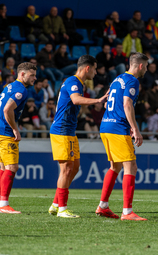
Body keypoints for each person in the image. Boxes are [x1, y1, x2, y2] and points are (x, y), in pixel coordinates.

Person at [48, 55, 109, 218]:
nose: (96, 73)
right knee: (66, 168)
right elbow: (75, 100)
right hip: (61, 130)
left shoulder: (77, 83)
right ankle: (62, 208)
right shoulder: (73, 81)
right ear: (87, 68)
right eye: (95, 69)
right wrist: (97, 100)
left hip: (69, 131)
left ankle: (55, 204)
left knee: (74, 168)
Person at [96, 52, 148, 221]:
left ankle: (103, 206)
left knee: (115, 167)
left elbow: (107, 102)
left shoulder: (117, 79)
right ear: (140, 65)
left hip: (106, 125)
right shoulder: (133, 81)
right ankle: (127, 212)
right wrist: (135, 128)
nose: (146, 69)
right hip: (118, 128)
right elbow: (127, 104)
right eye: (145, 66)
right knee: (131, 167)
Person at [0, 62, 37, 213]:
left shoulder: (9, 86)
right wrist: (15, 129)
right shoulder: (21, 90)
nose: (35, 78)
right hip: (5, 133)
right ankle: (3, 204)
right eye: (32, 75)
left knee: (3, 168)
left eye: (35, 75)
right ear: (22, 74)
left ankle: (0, 203)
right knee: (12, 167)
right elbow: (7, 109)